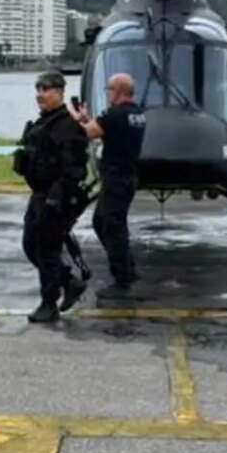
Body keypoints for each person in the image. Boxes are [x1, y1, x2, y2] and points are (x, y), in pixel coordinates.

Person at [13, 70, 90, 323]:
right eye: (38, 89)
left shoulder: (67, 127)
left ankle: (49, 302)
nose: (40, 95)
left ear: (59, 93)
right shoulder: (44, 123)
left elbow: (74, 168)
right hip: (39, 194)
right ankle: (68, 283)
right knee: (31, 245)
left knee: (47, 250)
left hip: (55, 198)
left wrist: (55, 200)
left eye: (46, 90)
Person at [70, 72, 146, 296]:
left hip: (116, 178)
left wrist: (75, 122)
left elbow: (88, 134)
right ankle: (127, 268)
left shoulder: (115, 114)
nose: (108, 95)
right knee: (102, 222)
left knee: (112, 227)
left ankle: (122, 279)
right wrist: (87, 119)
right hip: (127, 177)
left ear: (120, 91)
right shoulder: (136, 114)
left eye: (109, 90)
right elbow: (109, 131)